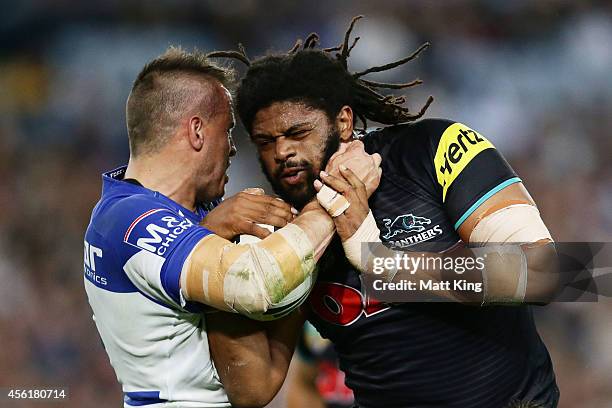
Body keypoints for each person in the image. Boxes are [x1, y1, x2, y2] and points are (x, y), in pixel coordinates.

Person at [206, 17, 560, 408]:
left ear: (343, 121)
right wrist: (213, 255)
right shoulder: (278, 233)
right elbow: (252, 388)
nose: (282, 152)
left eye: (298, 134)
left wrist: (385, 265)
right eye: (265, 142)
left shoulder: (433, 149)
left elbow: (543, 274)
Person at [83, 46, 382, 407]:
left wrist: (215, 229)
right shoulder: (131, 222)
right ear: (196, 131)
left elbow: (253, 387)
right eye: (227, 131)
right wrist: (335, 197)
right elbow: (256, 281)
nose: (233, 150)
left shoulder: (194, 217)